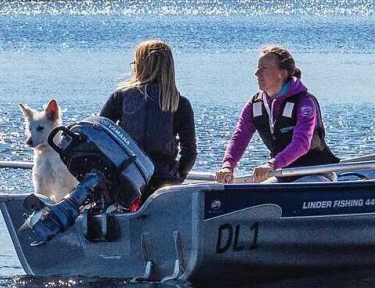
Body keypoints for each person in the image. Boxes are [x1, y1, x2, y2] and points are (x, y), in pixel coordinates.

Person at [215, 45, 339, 183]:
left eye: (264, 68)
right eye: (257, 68)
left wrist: (272, 164)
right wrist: (228, 166)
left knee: (291, 194)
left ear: (282, 73)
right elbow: (240, 137)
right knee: (260, 193)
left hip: (316, 173)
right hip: (283, 174)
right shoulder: (255, 104)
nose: (257, 73)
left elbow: (302, 143)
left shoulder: (304, 102)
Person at [99, 39, 197, 197]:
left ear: (140, 66)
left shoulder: (121, 97)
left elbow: (101, 135)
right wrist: (179, 175)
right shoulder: (180, 103)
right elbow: (190, 152)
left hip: (126, 176)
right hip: (164, 180)